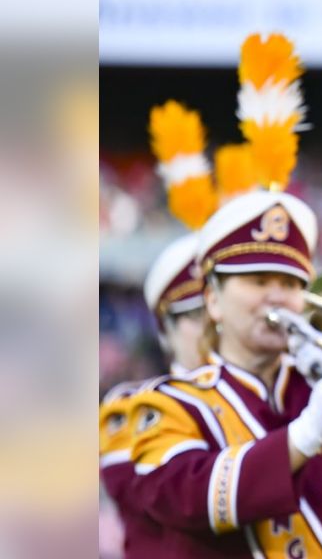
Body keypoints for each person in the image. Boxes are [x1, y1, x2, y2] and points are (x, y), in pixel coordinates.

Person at [127, 189, 322, 557]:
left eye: (290, 284)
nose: (277, 297)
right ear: (213, 301)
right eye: (258, 281)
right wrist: (304, 436)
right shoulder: (171, 404)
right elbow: (183, 498)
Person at [101, 233, 210, 557]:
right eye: (193, 316)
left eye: (214, 312)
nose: (210, 328)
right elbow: (164, 503)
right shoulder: (128, 409)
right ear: (164, 329)